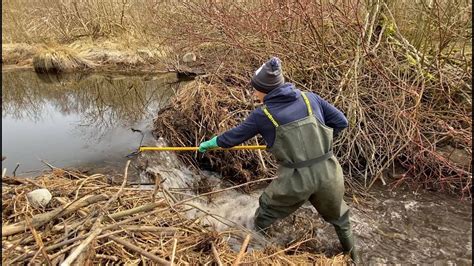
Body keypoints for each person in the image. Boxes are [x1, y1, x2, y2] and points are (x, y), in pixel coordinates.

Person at [198, 57, 358, 262]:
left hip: (295, 179)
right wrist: (319, 144)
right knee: (341, 220)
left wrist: (211, 143)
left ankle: (264, 254)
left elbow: (232, 138)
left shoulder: (263, 115)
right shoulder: (310, 98)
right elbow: (341, 122)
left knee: (264, 212)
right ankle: (354, 259)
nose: (254, 93)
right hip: (329, 172)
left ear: (265, 90)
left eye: (255, 89)